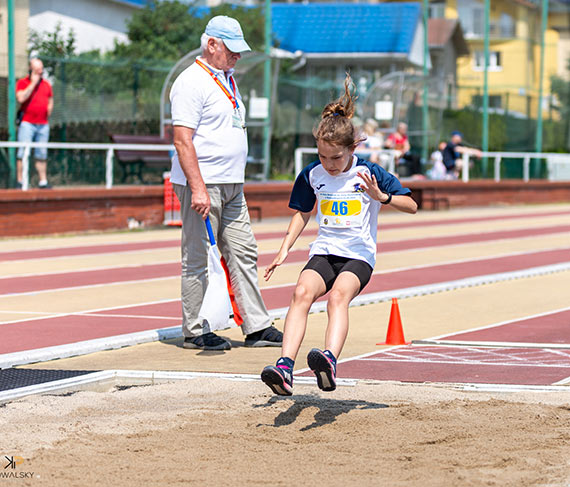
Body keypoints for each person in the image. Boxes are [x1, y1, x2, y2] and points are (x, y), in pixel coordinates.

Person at [260, 75, 417, 396]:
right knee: (301, 293)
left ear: (351, 149)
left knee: (337, 298)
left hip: (358, 256)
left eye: (336, 158)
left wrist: (381, 197)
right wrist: (283, 249)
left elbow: (412, 205)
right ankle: (285, 368)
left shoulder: (370, 172)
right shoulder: (312, 174)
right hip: (325, 251)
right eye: (322, 156)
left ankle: (328, 361)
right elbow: (303, 211)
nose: (329, 164)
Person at [169, 15, 282, 351]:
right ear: (211, 45)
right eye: (232, 50)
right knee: (199, 256)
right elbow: (182, 140)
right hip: (203, 184)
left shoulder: (227, 79)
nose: (238, 56)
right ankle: (196, 329)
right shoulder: (191, 81)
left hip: (233, 184)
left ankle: (257, 326)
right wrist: (198, 187)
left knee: (244, 251)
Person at [15, 58, 53, 189]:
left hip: (43, 124)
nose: (40, 72)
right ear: (31, 69)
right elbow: (20, 98)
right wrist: (32, 84)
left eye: (41, 69)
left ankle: (43, 181)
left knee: (41, 153)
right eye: (37, 70)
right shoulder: (22, 82)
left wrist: (49, 109)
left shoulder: (47, 84)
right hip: (27, 124)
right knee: (23, 152)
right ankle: (20, 182)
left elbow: (50, 99)